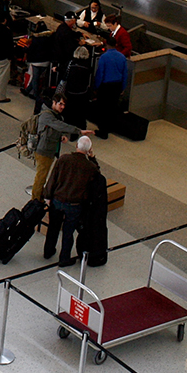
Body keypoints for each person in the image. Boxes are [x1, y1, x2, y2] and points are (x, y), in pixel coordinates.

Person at [42, 135, 101, 267]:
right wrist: (92, 157)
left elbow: (53, 178)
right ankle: (64, 258)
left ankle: (48, 251)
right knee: (68, 232)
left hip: (57, 200)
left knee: (53, 227)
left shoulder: (63, 159)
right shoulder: (89, 167)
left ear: (76, 146)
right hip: (75, 204)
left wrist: (47, 196)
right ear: (89, 149)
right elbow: (98, 174)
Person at [33, 92, 95, 201]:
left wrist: (61, 136)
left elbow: (55, 128)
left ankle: (39, 197)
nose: (62, 107)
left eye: (64, 105)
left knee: (43, 176)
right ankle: (35, 201)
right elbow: (59, 125)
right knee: (41, 178)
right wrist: (79, 131)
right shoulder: (46, 115)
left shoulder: (54, 114)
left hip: (50, 150)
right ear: (54, 102)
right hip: (44, 151)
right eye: (60, 104)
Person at [91, 44, 128, 138]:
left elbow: (100, 73)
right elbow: (125, 74)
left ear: (107, 45)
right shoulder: (122, 57)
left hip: (106, 86)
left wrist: (96, 87)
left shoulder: (104, 57)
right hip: (117, 85)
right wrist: (122, 88)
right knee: (112, 107)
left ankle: (103, 131)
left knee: (103, 108)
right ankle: (110, 127)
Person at [51, 11, 81, 81]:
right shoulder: (66, 33)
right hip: (62, 59)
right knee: (62, 78)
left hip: (57, 55)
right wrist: (79, 44)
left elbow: (71, 33)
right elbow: (69, 47)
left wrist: (79, 34)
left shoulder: (62, 27)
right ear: (72, 20)